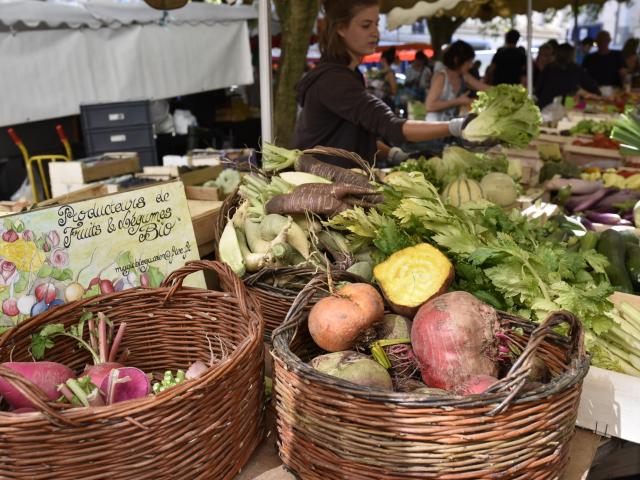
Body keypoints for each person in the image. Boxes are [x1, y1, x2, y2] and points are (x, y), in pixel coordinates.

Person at [293, 0, 477, 166]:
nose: (375, 32)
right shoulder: (333, 80)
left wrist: (394, 155)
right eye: (366, 25)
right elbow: (392, 126)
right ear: (341, 28)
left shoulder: (350, 74)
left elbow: (357, 135)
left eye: (376, 24)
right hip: (320, 191)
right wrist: (457, 126)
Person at [425, 41, 489, 122]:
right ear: (457, 60)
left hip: (449, 126)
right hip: (434, 126)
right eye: (468, 62)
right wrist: (458, 101)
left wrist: (505, 91)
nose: (471, 65)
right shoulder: (442, 76)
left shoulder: (464, 76)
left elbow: (484, 87)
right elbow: (430, 106)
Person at [535, 43, 601, 109]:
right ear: (572, 55)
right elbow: (593, 87)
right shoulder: (576, 69)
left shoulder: (548, 68)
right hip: (565, 107)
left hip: (545, 106)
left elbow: (538, 90)